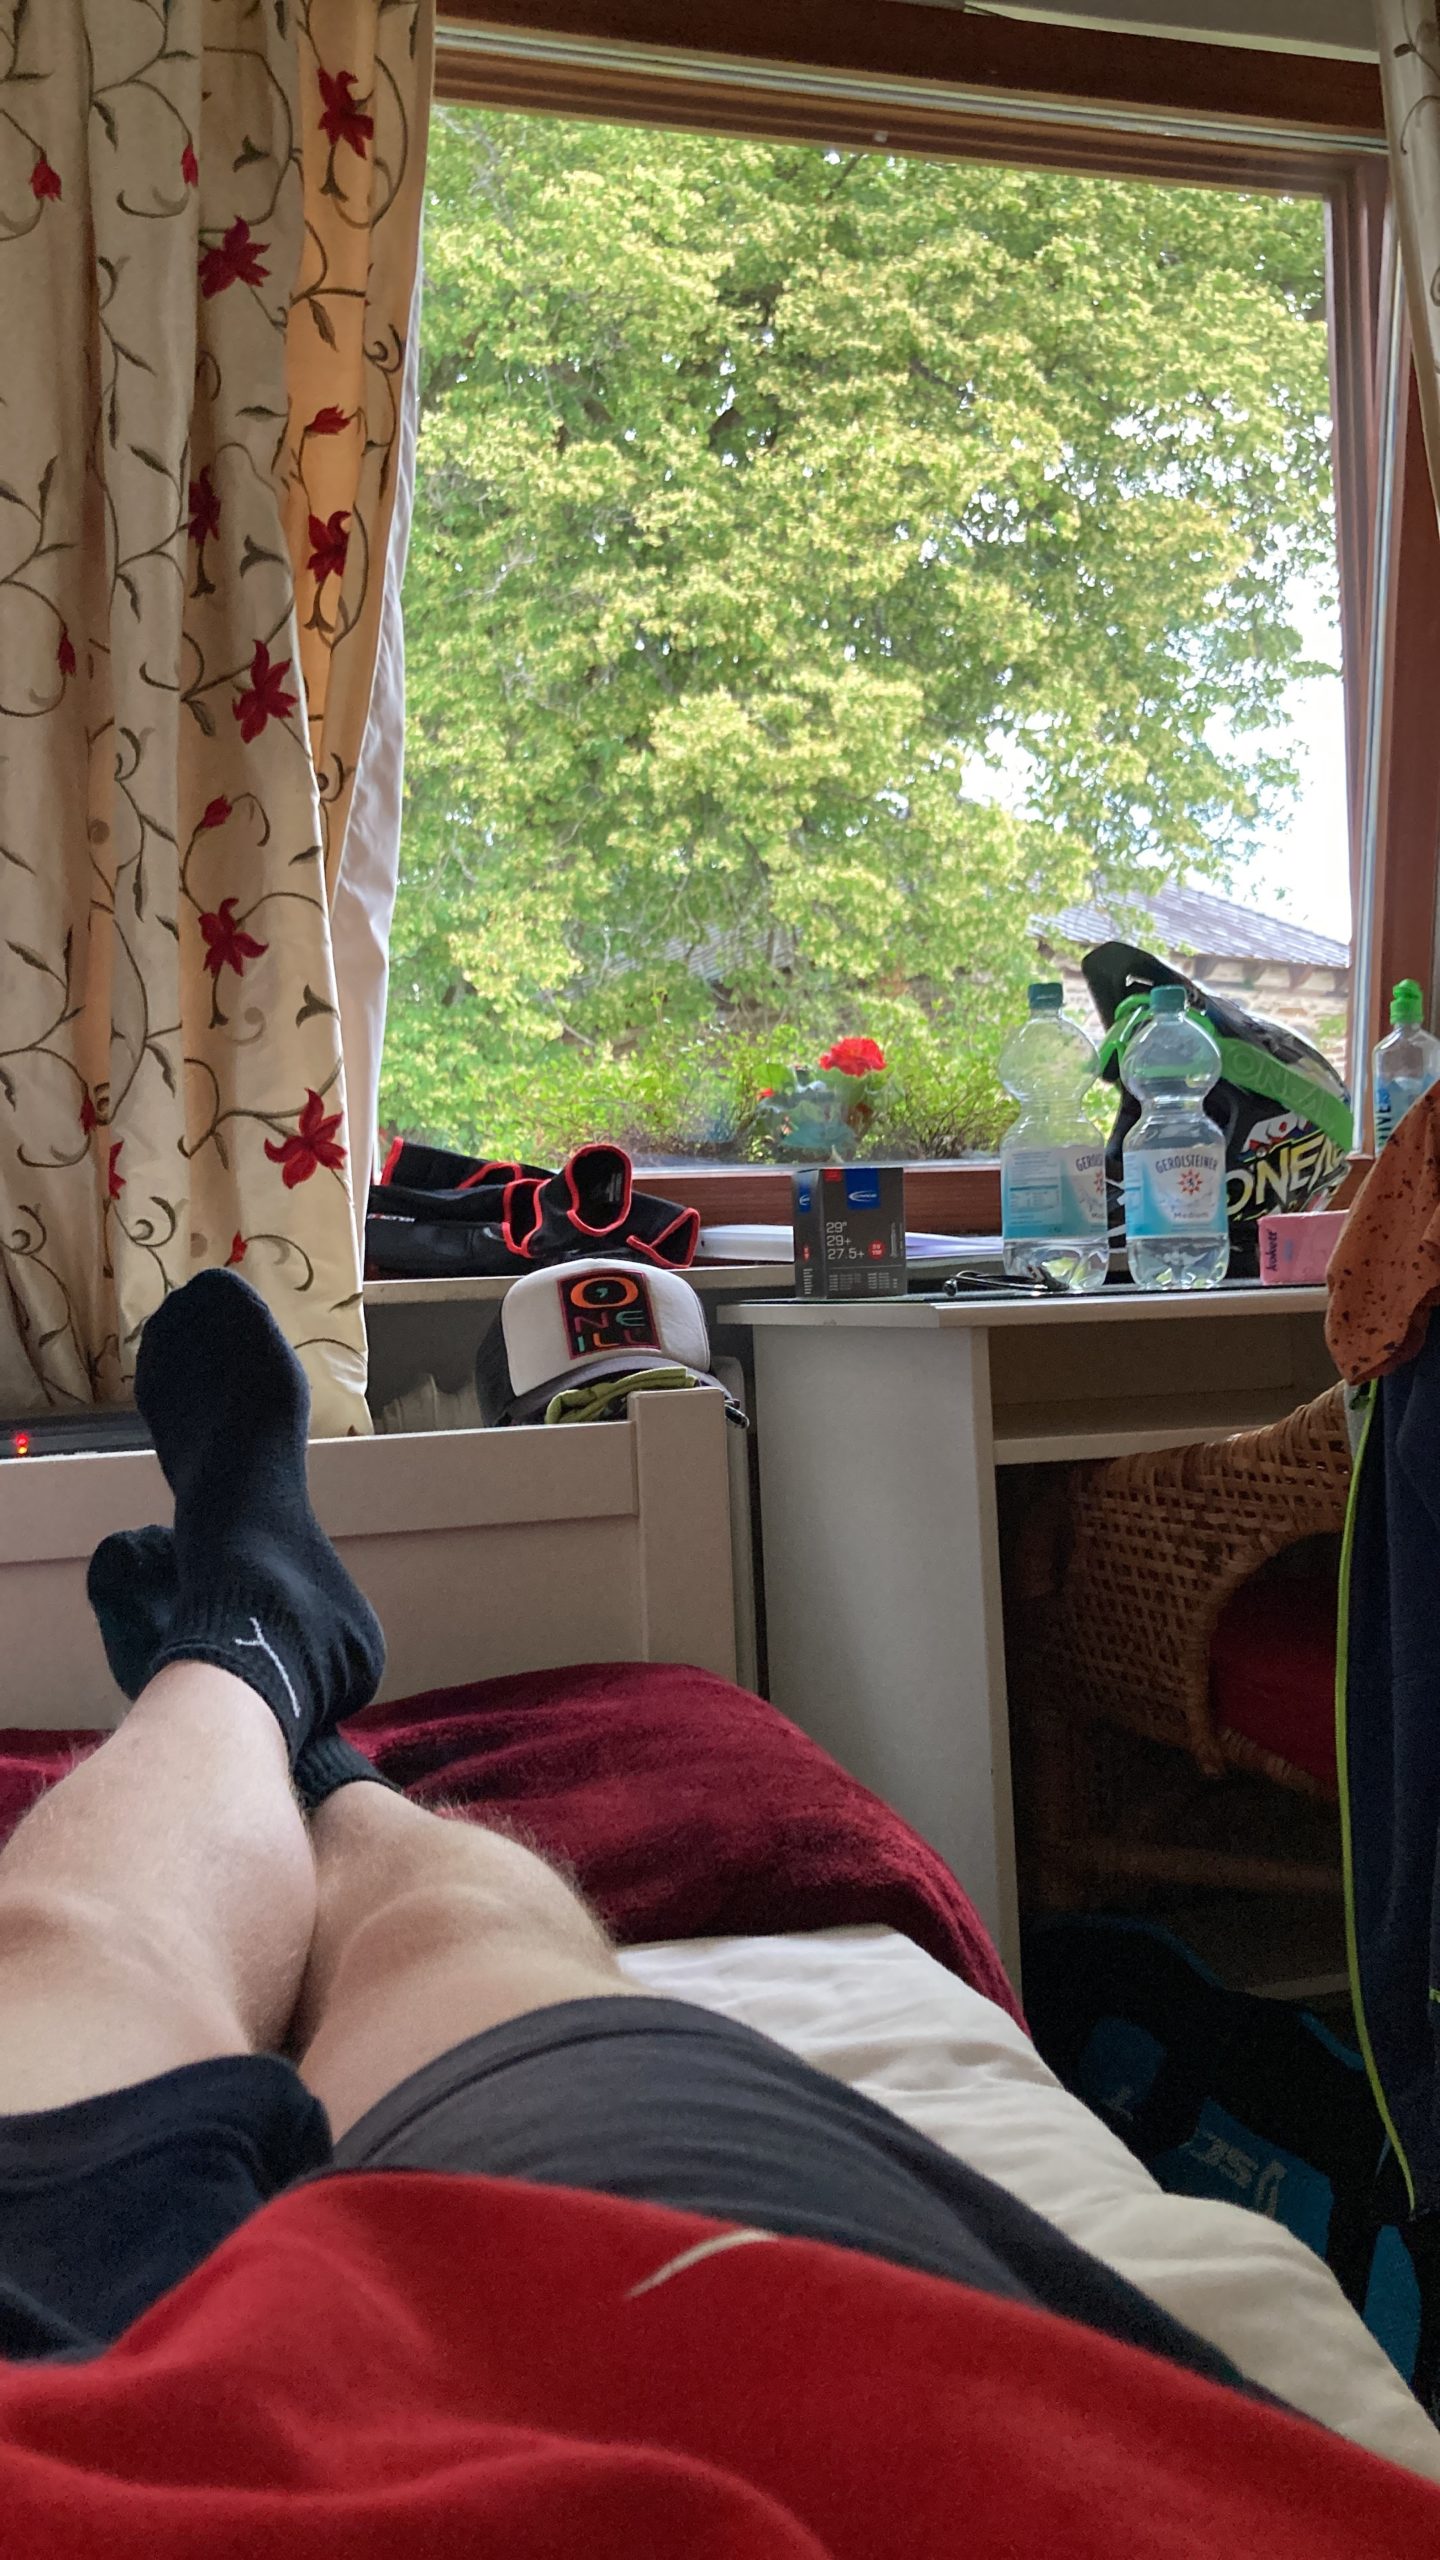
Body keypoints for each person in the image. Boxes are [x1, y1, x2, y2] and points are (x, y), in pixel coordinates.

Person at [0, 1269, 1431, 2554]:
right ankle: (298, 1717)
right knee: (455, 1951)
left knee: (57, 1954)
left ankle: (250, 1657)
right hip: (825, 2399)